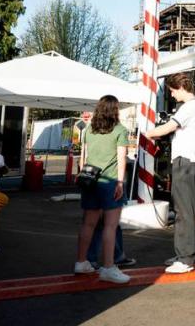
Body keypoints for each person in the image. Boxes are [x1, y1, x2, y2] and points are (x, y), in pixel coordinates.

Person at [145, 72, 195, 274]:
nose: (171, 95)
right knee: (182, 210)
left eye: (172, 91)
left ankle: (186, 259)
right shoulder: (193, 107)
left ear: (180, 87)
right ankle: (182, 254)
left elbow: (169, 127)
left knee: (184, 211)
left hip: (186, 161)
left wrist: (148, 133)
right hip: (186, 161)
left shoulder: (190, 106)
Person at [74, 95, 131, 283]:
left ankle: (81, 262)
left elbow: (84, 156)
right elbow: (121, 158)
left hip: (90, 180)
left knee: (88, 223)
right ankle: (108, 267)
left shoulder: (90, 130)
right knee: (110, 226)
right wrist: (121, 183)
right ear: (115, 110)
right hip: (110, 182)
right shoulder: (120, 131)